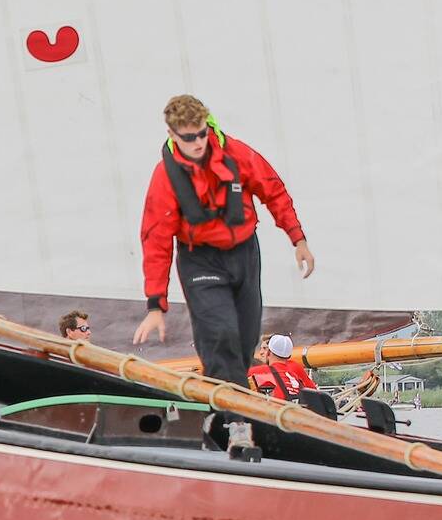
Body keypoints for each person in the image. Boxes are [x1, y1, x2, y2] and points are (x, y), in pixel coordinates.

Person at [132, 95, 314, 384]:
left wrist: (298, 239)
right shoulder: (165, 177)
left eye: (202, 133)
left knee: (246, 337)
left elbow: (273, 191)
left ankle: (232, 404)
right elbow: (156, 241)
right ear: (172, 134)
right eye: (189, 137)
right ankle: (232, 418)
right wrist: (156, 305)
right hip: (200, 260)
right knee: (219, 334)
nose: (198, 142)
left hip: (244, 253)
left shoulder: (236, 154)